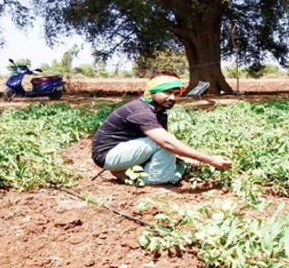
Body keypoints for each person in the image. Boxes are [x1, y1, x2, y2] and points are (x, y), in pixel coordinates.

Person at [91, 72, 232, 184]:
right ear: (152, 91)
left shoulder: (159, 112)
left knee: (179, 161)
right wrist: (209, 159)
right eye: (167, 92)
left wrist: (183, 158)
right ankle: (145, 179)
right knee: (167, 146)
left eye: (177, 93)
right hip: (108, 156)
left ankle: (127, 171)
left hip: (124, 152)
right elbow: (166, 143)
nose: (172, 98)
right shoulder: (140, 110)